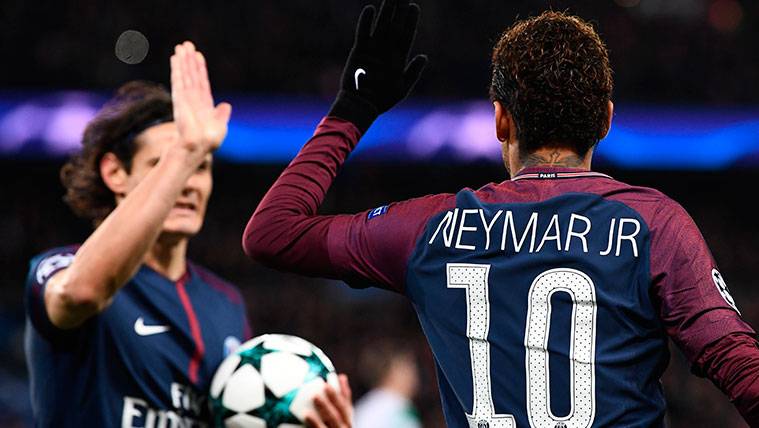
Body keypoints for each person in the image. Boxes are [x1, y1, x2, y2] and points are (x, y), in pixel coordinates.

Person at [242, 1, 759, 426]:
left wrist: (351, 113)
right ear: (605, 119)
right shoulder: (655, 224)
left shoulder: (431, 228)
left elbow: (271, 233)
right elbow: (738, 363)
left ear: (501, 120)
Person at [25, 42, 352, 428]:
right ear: (114, 173)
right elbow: (80, 292)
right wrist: (187, 149)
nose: (188, 183)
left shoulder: (225, 303)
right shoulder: (60, 267)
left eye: (201, 166)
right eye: (164, 162)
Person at [354, 342, 421, 428]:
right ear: (394, 372)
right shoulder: (399, 409)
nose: (415, 374)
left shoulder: (363, 408)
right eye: (409, 367)